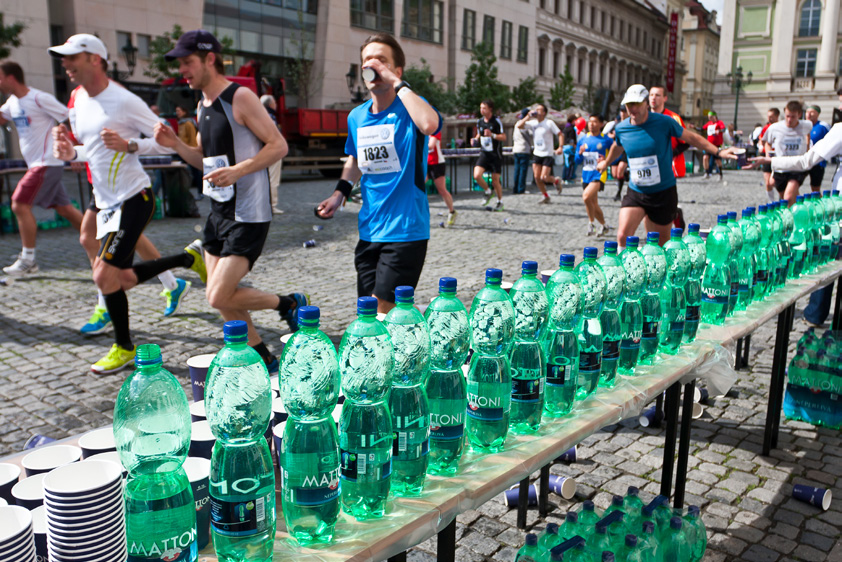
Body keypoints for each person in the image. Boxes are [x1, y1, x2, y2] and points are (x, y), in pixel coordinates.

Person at [49, 33, 205, 373]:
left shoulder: (124, 100)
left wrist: (130, 145)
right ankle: (187, 259)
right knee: (123, 279)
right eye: (63, 57)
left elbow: (169, 143)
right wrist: (69, 153)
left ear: (96, 59)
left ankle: (124, 347)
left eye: (72, 57)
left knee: (105, 276)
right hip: (103, 202)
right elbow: (91, 149)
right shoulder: (77, 99)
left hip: (134, 197)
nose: (65, 63)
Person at [154, 29, 307, 371]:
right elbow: (206, 162)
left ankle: (287, 302)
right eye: (180, 64)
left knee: (217, 295)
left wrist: (239, 171)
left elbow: (278, 145)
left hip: (249, 212)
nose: (183, 70)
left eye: (188, 62)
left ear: (210, 58)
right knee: (223, 300)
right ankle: (262, 357)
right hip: (218, 211)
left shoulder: (241, 97)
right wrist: (175, 145)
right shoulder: (202, 104)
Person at [315, 33, 441, 314]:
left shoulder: (410, 108)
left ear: (397, 70)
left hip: (406, 230)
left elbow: (430, 124)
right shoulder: (356, 116)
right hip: (369, 229)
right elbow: (357, 158)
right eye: (367, 60)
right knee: (370, 311)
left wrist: (399, 85)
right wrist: (340, 193)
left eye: (381, 60)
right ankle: (414, 334)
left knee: (382, 310)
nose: (373, 65)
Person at [597, 85, 737, 246]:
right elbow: (618, 146)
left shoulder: (664, 122)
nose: (632, 108)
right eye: (629, 105)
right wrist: (606, 163)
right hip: (637, 190)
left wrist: (718, 152)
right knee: (623, 236)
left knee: (661, 242)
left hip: (663, 192)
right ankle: (623, 270)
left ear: (645, 103)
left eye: (637, 104)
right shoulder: (622, 128)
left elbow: (692, 138)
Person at [745, 120, 842, 326]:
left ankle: (816, 313)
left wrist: (769, 162)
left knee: (827, 255)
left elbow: (807, 160)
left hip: (839, 209)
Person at [0, 61, 83, 276]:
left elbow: (68, 118)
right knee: (66, 210)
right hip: (38, 164)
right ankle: (102, 241)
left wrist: (76, 149)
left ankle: (28, 260)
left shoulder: (38, 98)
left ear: (11, 78)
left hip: (46, 163)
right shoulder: (12, 103)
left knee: (19, 204)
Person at [763, 100, 813, 206]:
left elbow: (808, 134)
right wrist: (768, 156)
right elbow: (767, 143)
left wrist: (807, 148)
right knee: (785, 198)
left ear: (799, 115)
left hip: (797, 167)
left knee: (788, 197)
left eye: (793, 117)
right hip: (780, 167)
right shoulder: (774, 128)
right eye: (787, 116)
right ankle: (799, 213)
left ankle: (792, 219)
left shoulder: (807, 125)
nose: (789, 120)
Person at [516, 104, 562, 204]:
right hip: (537, 153)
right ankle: (545, 195)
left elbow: (560, 134)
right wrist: (528, 116)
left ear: (544, 112)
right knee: (537, 177)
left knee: (544, 177)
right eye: (536, 109)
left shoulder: (549, 123)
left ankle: (556, 181)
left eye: (539, 110)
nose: (536, 111)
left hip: (547, 153)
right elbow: (519, 126)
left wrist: (560, 147)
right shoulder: (532, 123)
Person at [575, 113, 612, 236]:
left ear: (601, 124)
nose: (591, 124)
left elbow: (616, 156)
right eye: (590, 121)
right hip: (586, 174)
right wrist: (580, 153)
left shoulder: (606, 140)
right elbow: (577, 160)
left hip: (599, 174)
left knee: (586, 197)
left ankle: (591, 223)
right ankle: (604, 225)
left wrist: (606, 160)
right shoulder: (583, 139)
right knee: (593, 203)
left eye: (595, 121)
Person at [648, 86, 688, 178]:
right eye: (651, 95)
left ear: (665, 98)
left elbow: (686, 142)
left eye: (657, 95)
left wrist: (670, 154)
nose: (653, 98)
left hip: (670, 169)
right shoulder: (642, 118)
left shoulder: (674, 118)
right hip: (649, 167)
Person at [472, 99, 505, 211]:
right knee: (476, 175)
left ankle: (500, 201)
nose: (482, 110)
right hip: (484, 153)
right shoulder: (480, 121)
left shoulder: (496, 121)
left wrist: (493, 135)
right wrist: (475, 139)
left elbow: (503, 137)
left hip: (495, 154)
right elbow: (479, 134)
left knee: (495, 180)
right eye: (481, 108)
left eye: (484, 108)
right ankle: (487, 191)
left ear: (490, 109)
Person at [260, 94, 284, 215]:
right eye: (275, 102)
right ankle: (272, 206)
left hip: (262, 152)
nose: (276, 104)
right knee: (273, 180)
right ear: (270, 105)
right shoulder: (271, 117)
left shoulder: (259, 116)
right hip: (273, 152)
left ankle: (264, 205)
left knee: (264, 179)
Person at [427, 129, 456, 225]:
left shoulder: (435, 131)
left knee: (442, 190)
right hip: (425, 163)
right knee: (417, 187)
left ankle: (452, 211)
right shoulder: (421, 131)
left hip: (437, 163)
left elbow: (431, 145)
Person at [805, 104, 830, 193]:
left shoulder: (823, 126)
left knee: (815, 188)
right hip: (802, 159)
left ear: (818, 114)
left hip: (817, 161)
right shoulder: (801, 125)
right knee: (794, 184)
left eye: (812, 112)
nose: (809, 114)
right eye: (807, 112)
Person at [608, 106, 630, 201]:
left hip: (625, 150)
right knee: (614, 174)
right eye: (621, 111)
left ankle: (618, 193)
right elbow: (608, 133)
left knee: (620, 169)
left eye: (625, 111)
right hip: (616, 149)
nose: (623, 113)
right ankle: (627, 174)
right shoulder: (616, 124)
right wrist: (612, 135)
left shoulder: (631, 123)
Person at [759, 108, 780, 201]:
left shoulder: (781, 127)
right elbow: (761, 139)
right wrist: (760, 145)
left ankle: (781, 201)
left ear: (777, 116)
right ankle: (771, 202)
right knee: (767, 182)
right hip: (767, 156)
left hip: (779, 157)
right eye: (768, 116)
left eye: (771, 117)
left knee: (778, 182)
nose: (769, 118)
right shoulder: (766, 127)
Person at [511, 107, 533, 194]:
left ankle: (515, 188)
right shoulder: (526, 125)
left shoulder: (516, 123)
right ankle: (521, 189)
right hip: (524, 150)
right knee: (523, 170)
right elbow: (532, 135)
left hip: (516, 149)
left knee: (517, 170)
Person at [702, 110, 725, 180]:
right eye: (709, 117)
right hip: (709, 145)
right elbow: (702, 129)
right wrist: (693, 127)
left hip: (717, 145)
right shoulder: (709, 123)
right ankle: (707, 173)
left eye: (711, 117)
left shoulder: (719, 122)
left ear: (715, 116)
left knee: (717, 160)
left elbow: (723, 129)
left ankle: (720, 173)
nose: (710, 118)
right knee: (705, 158)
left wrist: (719, 131)